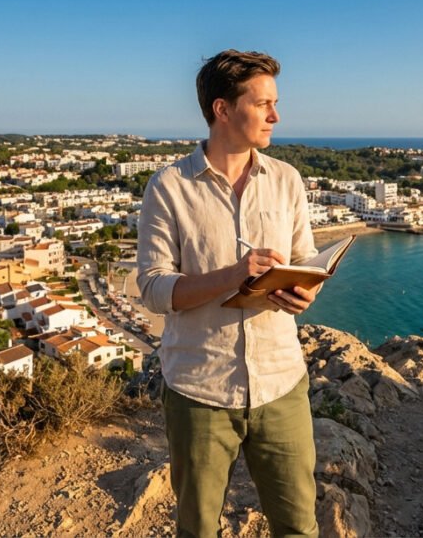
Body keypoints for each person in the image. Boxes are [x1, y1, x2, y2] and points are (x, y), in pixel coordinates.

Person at [137, 49, 320, 538]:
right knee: (197, 529)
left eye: (274, 103)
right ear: (222, 110)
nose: (275, 116)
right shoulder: (169, 187)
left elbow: (305, 265)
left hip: (281, 383)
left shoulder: (287, 181)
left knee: (299, 525)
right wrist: (233, 276)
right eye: (263, 104)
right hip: (200, 389)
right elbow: (153, 289)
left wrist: (304, 293)